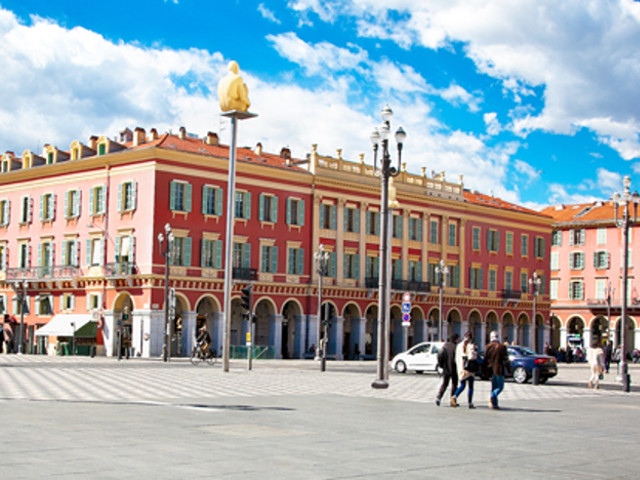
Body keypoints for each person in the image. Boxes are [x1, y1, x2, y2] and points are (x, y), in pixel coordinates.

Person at [485, 330, 510, 410]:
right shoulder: (502, 347)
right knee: (500, 387)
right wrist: (509, 369)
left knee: (494, 386)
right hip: (499, 369)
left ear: (491, 337)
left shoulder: (488, 346)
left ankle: (494, 404)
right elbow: (506, 359)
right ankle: (492, 396)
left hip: (491, 369)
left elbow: (485, 359)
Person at [451, 331, 477, 409]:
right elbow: (471, 357)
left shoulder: (458, 346)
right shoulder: (470, 346)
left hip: (461, 368)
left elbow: (456, 358)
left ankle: (454, 396)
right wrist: (475, 353)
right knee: (470, 386)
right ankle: (469, 403)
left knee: (462, 385)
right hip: (469, 369)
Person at [435, 332, 460, 407]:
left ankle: (439, 397)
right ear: (455, 340)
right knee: (454, 384)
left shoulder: (445, 346)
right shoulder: (456, 347)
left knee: (445, 383)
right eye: (458, 339)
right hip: (454, 368)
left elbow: (440, 355)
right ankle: (452, 400)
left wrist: (441, 365)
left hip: (446, 368)